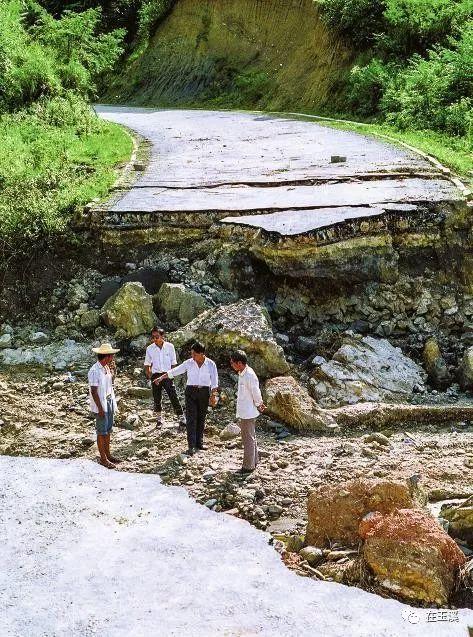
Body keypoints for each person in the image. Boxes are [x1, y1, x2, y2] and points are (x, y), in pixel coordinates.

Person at [154, 341, 218, 456]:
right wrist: (161, 377)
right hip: (191, 391)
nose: (192, 356)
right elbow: (176, 371)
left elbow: (214, 381)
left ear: (202, 353)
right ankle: (191, 446)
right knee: (191, 418)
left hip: (204, 392)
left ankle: (199, 443)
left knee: (201, 417)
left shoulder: (210, 364)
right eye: (192, 354)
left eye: (195, 354)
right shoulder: (189, 363)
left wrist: (213, 395)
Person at [230, 350, 265, 474]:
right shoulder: (242, 373)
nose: (231, 365)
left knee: (247, 439)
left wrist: (259, 404)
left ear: (239, 363)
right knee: (251, 437)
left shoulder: (249, 375)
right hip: (246, 411)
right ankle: (254, 461)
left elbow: (256, 392)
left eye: (233, 363)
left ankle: (248, 466)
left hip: (248, 412)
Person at [144, 327, 185, 428]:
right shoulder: (150, 349)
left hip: (167, 375)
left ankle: (181, 418)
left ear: (162, 336)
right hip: (156, 375)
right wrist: (150, 376)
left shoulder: (170, 347)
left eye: (157, 337)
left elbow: (173, 363)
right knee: (157, 398)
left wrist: (171, 374)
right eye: (153, 337)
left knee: (173, 396)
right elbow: (147, 364)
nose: (155, 339)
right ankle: (159, 420)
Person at [88, 343, 121, 469]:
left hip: (108, 399)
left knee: (108, 430)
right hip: (101, 402)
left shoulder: (106, 367)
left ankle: (108, 454)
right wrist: (100, 408)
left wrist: (113, 371)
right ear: (106, 357)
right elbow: (94, 391)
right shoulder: (95, 370)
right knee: (101, 431)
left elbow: (109, 383)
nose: (113, 357)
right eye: (111, 355)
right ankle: (103, 458)